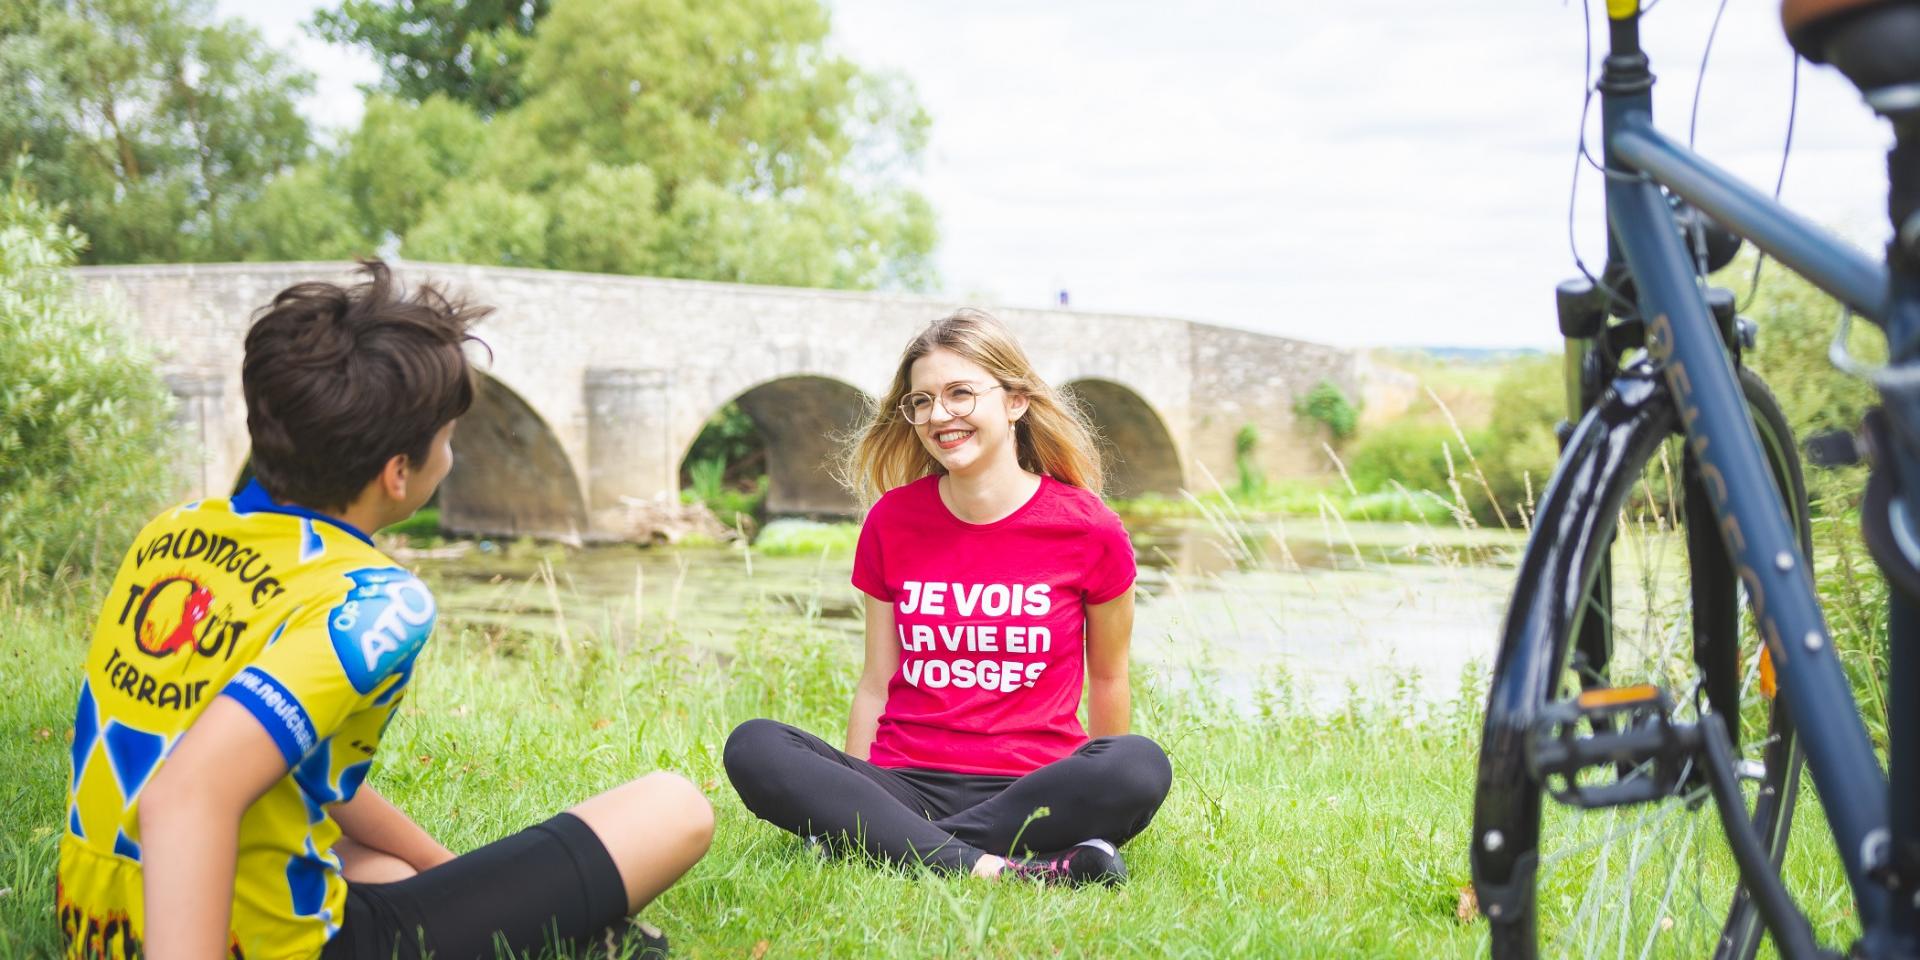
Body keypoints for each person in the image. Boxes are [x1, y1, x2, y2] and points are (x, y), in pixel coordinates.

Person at [56, 261, 713, 960]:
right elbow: (186, 797)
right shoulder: (373, 600)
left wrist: (455, 877)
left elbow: (268, 758)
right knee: (676, 807)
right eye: (449, 439)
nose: (453, 457)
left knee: (390, 871)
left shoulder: (173, 531)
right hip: (241, 941)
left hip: (100, 921)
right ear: (398, 473)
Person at [723, 308, 1172, 885]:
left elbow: (1109, 679)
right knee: (755, 745)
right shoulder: (892, 521)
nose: (940, 416)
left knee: (1138, 764)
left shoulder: (1088, 529)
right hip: (904, 781)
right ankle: (997, 868)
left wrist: (1101, 799)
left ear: (1015, 401)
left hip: (1031, 786)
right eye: (923, 401)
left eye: (961, 393)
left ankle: (878, 843)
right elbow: (876, 682)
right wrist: (857, 788)